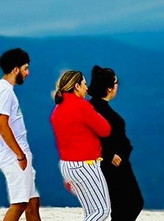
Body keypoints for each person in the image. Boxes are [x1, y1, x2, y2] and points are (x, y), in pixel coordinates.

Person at [0, 47, 42, 221]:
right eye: (25, 68)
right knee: (19, 204)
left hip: (17, 155)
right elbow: (1, 125)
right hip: (14, 157)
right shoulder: (5, 92)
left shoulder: (0, 89)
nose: (28, 73)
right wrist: (20, 155)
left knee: (33, 203)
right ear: (15, 69)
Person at [50, 71, 112, 221]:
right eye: (84, 84)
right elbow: (105, 130)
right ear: (76, 86)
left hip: (68, 166)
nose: (86, 88)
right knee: (102, 211)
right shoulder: (81, 106)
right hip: (86, 165)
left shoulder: (57, 110)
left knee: (91, 212)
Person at [89, 66, 144, 221]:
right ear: (109, 88)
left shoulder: (92, 107)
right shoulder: (98, 111)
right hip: (113, 166)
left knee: (123, 205)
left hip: (114, 163)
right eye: (115, 82)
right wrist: (109, 154)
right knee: (132, 203)